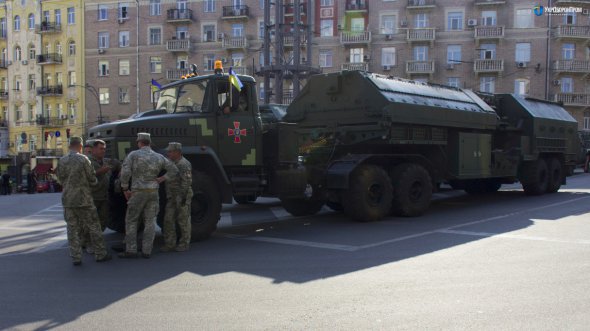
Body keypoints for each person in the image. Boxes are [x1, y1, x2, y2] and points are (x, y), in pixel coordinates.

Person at [119, 132, 178, 259]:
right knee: (150, 221)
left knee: (131, 220)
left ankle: (131, 250)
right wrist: (162, 178)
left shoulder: (133, 155)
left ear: (139, 142)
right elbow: (174, 169)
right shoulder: (159, 157)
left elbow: (125, 172)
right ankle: (147, 251)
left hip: (137, 192)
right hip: (153, 192)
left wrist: (125, 188)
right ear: (149, 142)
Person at [55, 136, 111, 266]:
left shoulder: (62, 160)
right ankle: (100, 254)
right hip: (84, 198)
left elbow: (60, 180)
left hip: (68, 199)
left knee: (72, 228)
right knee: (94, 226)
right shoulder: (83, 159)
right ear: (80, 146)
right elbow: (92, 178)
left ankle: (76, 257)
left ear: (70, 145)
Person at [161, 142, 193, 252]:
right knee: (168, 220)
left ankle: (184, 244)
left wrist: (182, 198)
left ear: (177, 152)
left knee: (183, 220)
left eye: (170, 151)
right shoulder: (170, 162)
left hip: (181, 196)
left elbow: (186, 182)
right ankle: (170, 244)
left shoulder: (184, 164)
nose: (168, 153)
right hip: (172, 196)